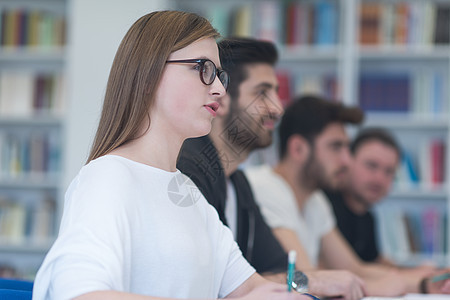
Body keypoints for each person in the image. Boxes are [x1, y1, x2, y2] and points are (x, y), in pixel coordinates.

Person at [32, 11, 310, 300]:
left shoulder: (189, 194)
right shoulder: (107, 178)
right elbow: (81, 295)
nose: (218, 89)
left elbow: (253, 288)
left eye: (219, 75)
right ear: (151, 73)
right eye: (204, 69)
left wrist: (305, 290)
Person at [177, 37, 367, 300]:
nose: (277, 109)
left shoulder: (239, 184)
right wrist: (314, 281)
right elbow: (219, 283)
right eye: (261, 93)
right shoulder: (188, 173)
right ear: (220, 96)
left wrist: (310, 281)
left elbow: (275, 271)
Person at [246, 94, 450, 296]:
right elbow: (306, 279)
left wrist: (424, 283)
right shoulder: (265, 189)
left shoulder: (315, 201)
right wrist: (373, 288)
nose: (346, 160)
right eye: (336, 147)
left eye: (346, 147)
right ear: (298, 148)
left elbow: (355, 268)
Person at [324, 127, 401, 265]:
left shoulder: (368, 218)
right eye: (371, 165)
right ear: (347, 160)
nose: (379, 179)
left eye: (389, 171)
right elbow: (354, 270)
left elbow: (375, 263)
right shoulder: (323, 205)